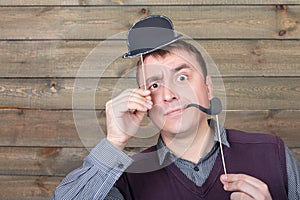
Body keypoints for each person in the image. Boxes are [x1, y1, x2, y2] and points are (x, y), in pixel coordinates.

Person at [51, 15, 299, 200]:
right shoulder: (124, 179)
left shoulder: (273, 153)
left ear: (208, 88)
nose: (169, 95)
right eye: (155, 84)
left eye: (182, 77)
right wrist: (114, 142)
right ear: (144, 102)